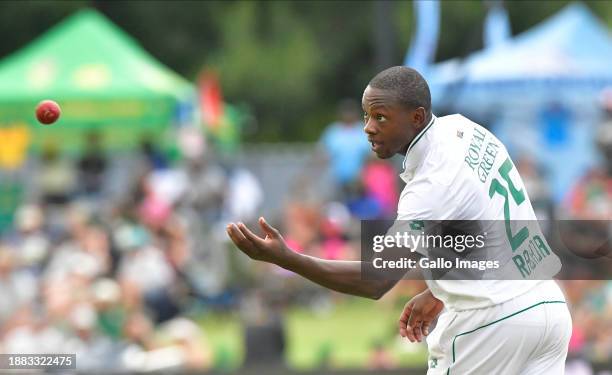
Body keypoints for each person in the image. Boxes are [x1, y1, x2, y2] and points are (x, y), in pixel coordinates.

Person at [226, 66, 572, 374]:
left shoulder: (429, 186)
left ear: (417, 117)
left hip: (491, 323)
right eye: (366, 116)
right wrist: (439, 290)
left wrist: (287, 259)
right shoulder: (463, 129)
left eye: (381, 117)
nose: (368, 128)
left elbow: (376, 280)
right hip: (547, 307)